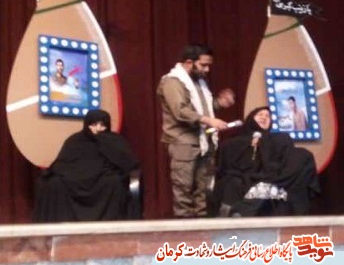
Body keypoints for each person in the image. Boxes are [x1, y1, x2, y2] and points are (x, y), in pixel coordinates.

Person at [156, 44, 235, 218]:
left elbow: (203, 108)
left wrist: (220, 103)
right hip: (183, 142)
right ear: (189, 62)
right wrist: (209, 120)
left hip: (204, 142)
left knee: (203, 189)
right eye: (203, 65)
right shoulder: (173, 81)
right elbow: (180, 111)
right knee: (183, 189)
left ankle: (202, 227)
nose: (207, 70)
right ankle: (186, 230)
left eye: (209, 65)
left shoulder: (198, 82)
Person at [33, 109, 140, 222]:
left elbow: (127, 163)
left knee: (115, 182)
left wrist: (106, 143)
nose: (98, 128)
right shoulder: (75, 140)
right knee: (53, 183)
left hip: (103, 179)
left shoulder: (115, 140)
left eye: (102, 125)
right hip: (76, 179)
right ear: (86, 124)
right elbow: (63, 163)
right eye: (93, 125)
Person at [211, 106, 320, 217]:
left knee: (302, 154)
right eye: (260, 115)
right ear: (251, 118)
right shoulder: (233, 143)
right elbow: (226, 168)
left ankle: (240, 211)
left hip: (271, 178)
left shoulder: (280, 139)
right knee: (232, 183)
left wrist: (263, 142)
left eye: (268, 116)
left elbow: (285, 161)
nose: (264, 117)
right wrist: (250, 144)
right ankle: (234, 211)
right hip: (241, 178)